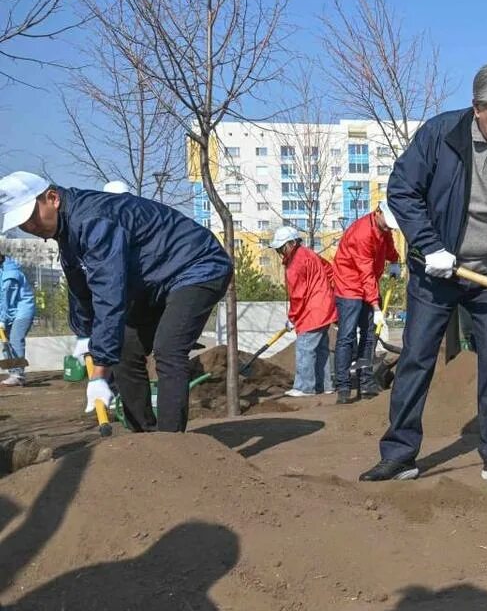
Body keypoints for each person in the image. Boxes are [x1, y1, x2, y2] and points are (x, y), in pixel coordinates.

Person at [361, 62, 487, 486]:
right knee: (416, 358)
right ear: (477, 109)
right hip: (436, 274)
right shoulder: (441, 136)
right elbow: (401, 190)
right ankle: (399, 454)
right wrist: (428, 244)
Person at [0, 171, 232, 432]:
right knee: (124, 349)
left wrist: (99, 373)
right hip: (155, 280)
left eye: (31, 217)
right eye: (21, 223)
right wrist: (84, 336)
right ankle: (144, 437)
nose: (29, 227)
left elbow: (109, 291)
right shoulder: (68, 234)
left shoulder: (93, 220)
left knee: (168, 349)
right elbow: (81, 292)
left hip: (198, 265)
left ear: (52, 198)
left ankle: (171, 442)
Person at [332, 202, 399, 404]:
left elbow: (388, 245)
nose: (388, 228)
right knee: (347, 336)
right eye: (386, 224)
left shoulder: (383, 228)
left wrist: (394, 260)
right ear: (377, 212)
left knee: (370, 336)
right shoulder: (361, 233)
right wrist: (376, 306)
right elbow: (365, 272)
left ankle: (366, 382)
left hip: (367, 285)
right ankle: (343, 387)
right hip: (348, 287)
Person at [270, 226, 336, 397]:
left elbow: (298, 296)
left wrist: (292, 318)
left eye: (281, 248)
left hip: (312, 312)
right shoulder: (309, 254)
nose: (280, 252)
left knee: (304, 347)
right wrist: (325, 289)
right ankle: (325, 385)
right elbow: (329, 269)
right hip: (324, 307)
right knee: (321, 349)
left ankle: (304, 387)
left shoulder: (295, 265)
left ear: (291, 243)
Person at [0, 253, 35, 386]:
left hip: (23, 311)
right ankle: (13, 373)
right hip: (10, 312)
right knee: (5, 342)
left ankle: (18, 374)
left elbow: (6, 300)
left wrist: (2, 319)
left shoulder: (11, 275)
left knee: (15, 340)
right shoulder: (2, 269)